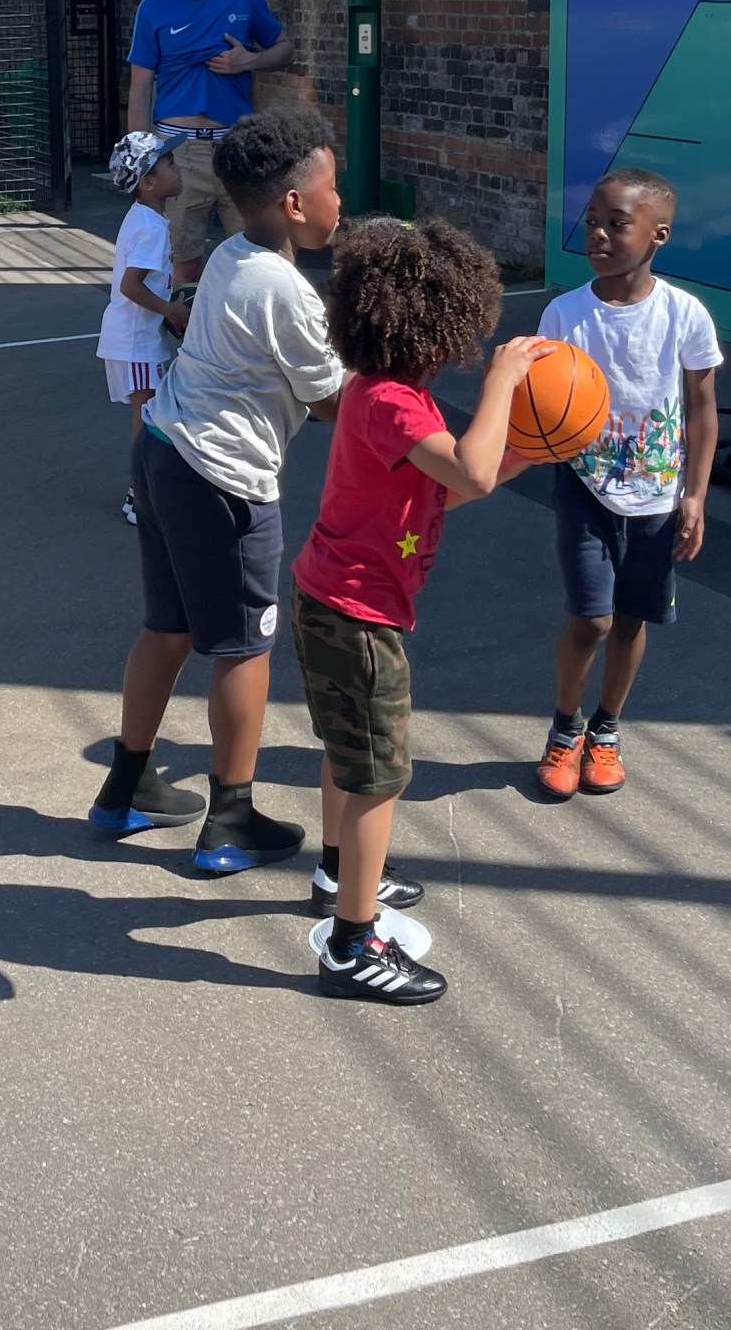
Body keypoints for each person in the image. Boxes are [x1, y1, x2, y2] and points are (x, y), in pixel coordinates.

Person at [292, 218, 547, 1004]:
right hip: (357, 616)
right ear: (436, 327)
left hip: (333, 599)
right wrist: (502, 382)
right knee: (379, 778)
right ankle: (352, 944)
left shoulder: (383, 395)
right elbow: (467, 475)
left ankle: (339, 872)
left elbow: (444, 491)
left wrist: (522, 456)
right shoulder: (395, 405)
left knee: (349, 754)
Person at [88, 106, 344, 873]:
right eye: (332, 186)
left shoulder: (234, 254)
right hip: (221, 480)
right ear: (294, 203)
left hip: (162, 451)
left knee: (167, 627)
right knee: (243, 647)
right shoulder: (284, 289)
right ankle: (230, 820)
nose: (340, 201)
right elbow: (330, 402)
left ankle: (126, 789)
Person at [534, 167, 721, 800]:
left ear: (658, 235)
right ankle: (565, 729)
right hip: (584, 487)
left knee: (633, 618)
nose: (598, 235)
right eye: (592, 222)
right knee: (592, 618)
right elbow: (540, 399)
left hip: (658, 498)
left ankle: (606, 730)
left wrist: (695, 494)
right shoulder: (565, 313)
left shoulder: (684, 314)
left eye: (617, 224)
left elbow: (702, 410)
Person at [126, 0, 296, 288]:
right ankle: (188, 328)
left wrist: (250, 60)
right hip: (179, 153)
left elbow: (285, 49)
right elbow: (140, 86)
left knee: (268, 257)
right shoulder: (153, 10)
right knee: (182, 265)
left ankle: (259, 326)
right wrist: (143, 159)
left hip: (238, 147)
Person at [96, 129, 192, 526]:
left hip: (135, 339)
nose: (177, 165)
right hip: (134, 341)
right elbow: (130, 286)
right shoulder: (150, 226)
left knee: (152, 413)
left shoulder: (146, 217)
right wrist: (171, 311)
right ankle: (140, 495)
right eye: (168, 162)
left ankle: (147, 489)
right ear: (148, 183)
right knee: (148, 416)